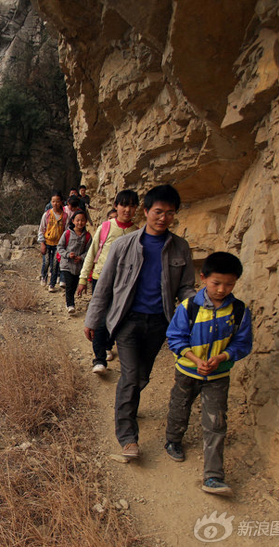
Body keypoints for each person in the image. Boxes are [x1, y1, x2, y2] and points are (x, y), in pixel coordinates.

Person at [83, 184, 195, 459]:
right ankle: (128, 438)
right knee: (131, 377)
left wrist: (199, 310)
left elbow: (186, 288)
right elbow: (105, 286)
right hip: (128, 321)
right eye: (158, 211)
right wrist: (93, 319)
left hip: (160, 323)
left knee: (142, 376)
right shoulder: (123, 245)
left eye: (170, 213)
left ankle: (126, 402)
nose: (163, 218)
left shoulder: (180, 248)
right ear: (146, 211)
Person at [164, 251, 252, 496]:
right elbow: (175, 338)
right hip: (187, 371)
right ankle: (173, 439)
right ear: (203, 278)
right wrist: (194, 359)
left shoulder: (239, 311)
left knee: (216, 422)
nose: (222, 289)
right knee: (180, 405)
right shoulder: (189, 307)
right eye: (216, 283)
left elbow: (243, 344)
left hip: (218, 375)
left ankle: (213, 476)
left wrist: (223, 357)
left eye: (229, 284)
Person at [76, 190, 139, 374]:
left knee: (117, 318)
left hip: (124, 285)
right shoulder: (105, 227)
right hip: (101, 279)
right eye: (123, 205)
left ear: (136, 208)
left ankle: (107, 345)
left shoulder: (137, 233)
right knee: (100, 318)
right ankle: (99, 358)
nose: (127, 209)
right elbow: (92, 252)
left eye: (131, 206)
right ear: (116, 206)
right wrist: (82, 279)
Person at [56, 208, 91, 314]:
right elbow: (60, 247)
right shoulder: (67, 233)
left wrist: (81, 257)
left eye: (82, 220)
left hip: (78, 266)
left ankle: (70, 301)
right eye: (78, 220)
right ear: (73, 221)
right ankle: (70, 304)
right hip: (66, 264)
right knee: (69, 284)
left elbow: (89, 251)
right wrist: (67, 254)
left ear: (86, 221)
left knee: (75, 284)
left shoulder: (88, 236)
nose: (80, 222)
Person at [37, 192, 67, 292]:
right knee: (46, 262)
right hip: (47, 242)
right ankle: (44, 276)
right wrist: (42, 243)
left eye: (57, 201)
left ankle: (52, 284)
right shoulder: (47, 214)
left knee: (55, 264)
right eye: (53, 201)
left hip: (59, 244)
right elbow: (41, 229)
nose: (55, 204)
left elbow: (66, 231)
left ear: (61, 202)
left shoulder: (65, 216)